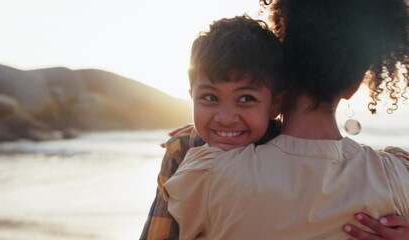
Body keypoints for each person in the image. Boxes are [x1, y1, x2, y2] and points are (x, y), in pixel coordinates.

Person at [162, 0, 409, 239]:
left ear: (280, 70)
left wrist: (194, 137)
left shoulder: (205, 171)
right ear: (354, 86)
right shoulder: (397, 178)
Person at [140, 14, 285, 239]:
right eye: (209, 97)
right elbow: (159, 233)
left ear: (275, 104)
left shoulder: (288, 153)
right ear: (192, 96)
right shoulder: (183, 150)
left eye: (246, 99)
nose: (225, 118)